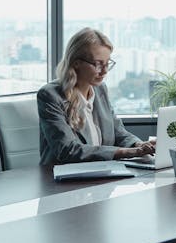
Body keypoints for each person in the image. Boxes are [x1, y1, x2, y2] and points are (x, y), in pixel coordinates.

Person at [38, 27, 155, 165]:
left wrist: (140, 145)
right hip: (62, 181)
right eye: (98, 64)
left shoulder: (100, 90)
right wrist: (126, 152)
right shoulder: (50, 95)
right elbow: (67, 150)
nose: (104, 71)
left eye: (107, 63)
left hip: (101, 174)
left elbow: (118, 132)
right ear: (76, 62)